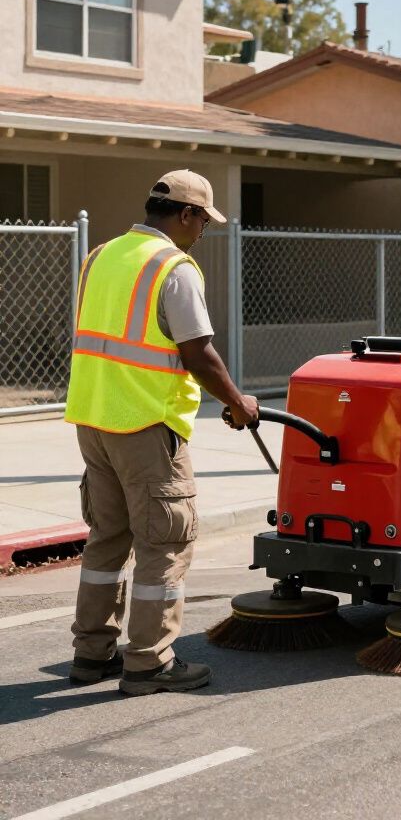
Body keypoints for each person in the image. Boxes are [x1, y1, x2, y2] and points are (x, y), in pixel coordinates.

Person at [64, 169, 259, 695]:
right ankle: (149, 661)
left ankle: (90, 652)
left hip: (93, 421)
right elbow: (198, 352)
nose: (204, 232)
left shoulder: (100, 256)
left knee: (106, 539)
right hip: (146, 424)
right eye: (204, 221)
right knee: (165, 543)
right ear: (187, 213)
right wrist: (239, 404)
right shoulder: (174, 267)